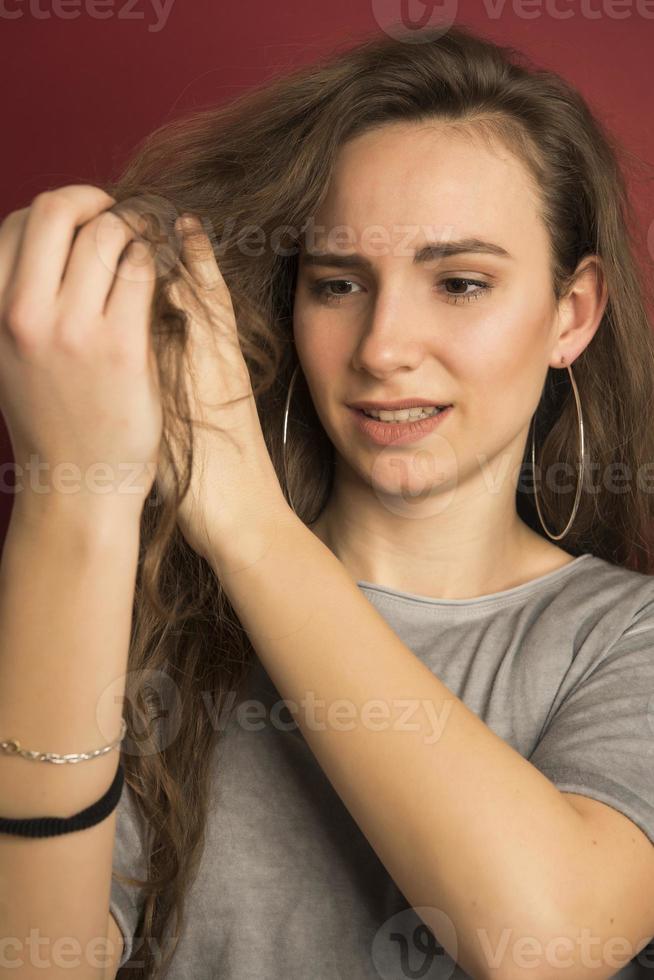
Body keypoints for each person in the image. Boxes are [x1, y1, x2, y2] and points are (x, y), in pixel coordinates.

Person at [1, 20, 654, 980]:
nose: (384, 346)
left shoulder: (625, 640)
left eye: (461, 283)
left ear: (573, 312)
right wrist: (75, 489)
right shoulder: (146, 610)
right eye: (340, 281)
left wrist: (249, 525)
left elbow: (548, 943)